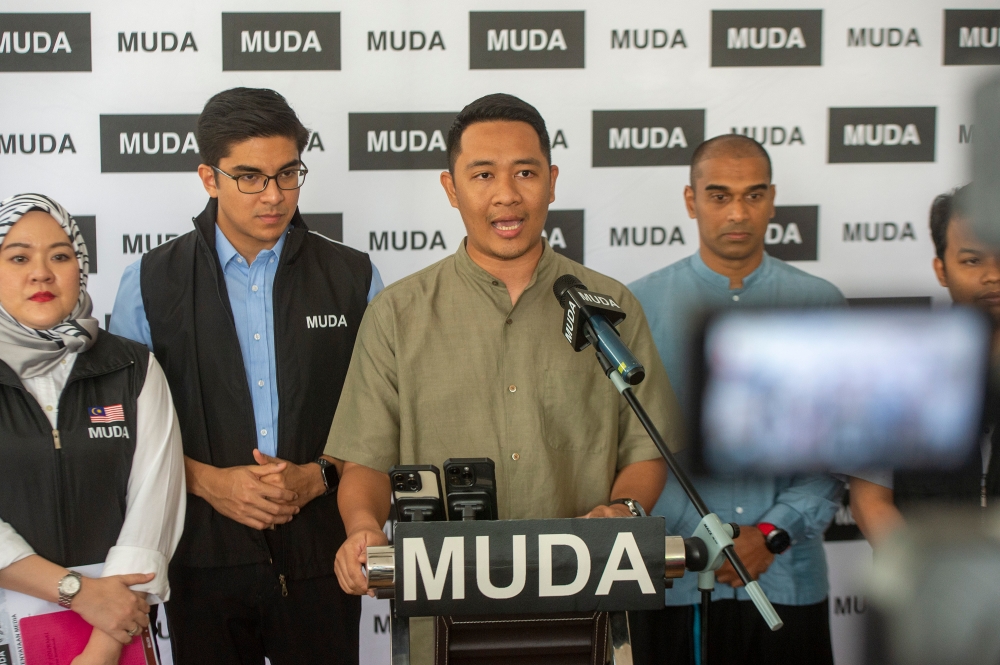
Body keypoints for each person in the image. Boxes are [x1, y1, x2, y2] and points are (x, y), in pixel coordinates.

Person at [325, 93, 683, 664]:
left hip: (584, 608)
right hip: (445, 617)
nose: (506, 195)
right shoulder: (399, 312)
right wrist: (364, 526)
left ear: (553, 180)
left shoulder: (610, 305)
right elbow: (364, 459)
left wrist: (623, 509)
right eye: (483, 174)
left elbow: (647, 447)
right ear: (451, 188)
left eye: (525, 173)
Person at [110, 88, 383, 665]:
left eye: (288, 174)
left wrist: (320, 475)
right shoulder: (148, 283)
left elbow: (385, 418)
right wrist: (212, 483)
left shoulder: (354, 277)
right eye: (251, 177)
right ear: (209, 177)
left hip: (322, 558)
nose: (274, 195)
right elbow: (124, 438)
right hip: (198, 560)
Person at [628, 134, 845, 665]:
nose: (737, 212)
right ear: (691, 200)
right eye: (719, 195)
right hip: (675, 578)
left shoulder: (821, 303)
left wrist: (770, 534)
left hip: (786, 578)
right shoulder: (637, 305)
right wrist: (703, 539)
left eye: (752, 195)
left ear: (772, 199)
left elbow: (838, 450)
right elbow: (628, 447)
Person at [0, 193, 185, 665]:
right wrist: (76, 592)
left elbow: (154, 509)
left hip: (116, 632)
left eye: (59, 256)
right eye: (19, 257)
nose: (41, 272)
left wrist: (103, 649)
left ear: (80, 266)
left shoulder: (131, 366)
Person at [850, 185, 1000, 546]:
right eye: (972, 260)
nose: (992, 275)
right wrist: (930, 585)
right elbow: (871, 502)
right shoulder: (895, 368)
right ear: (941, 269)